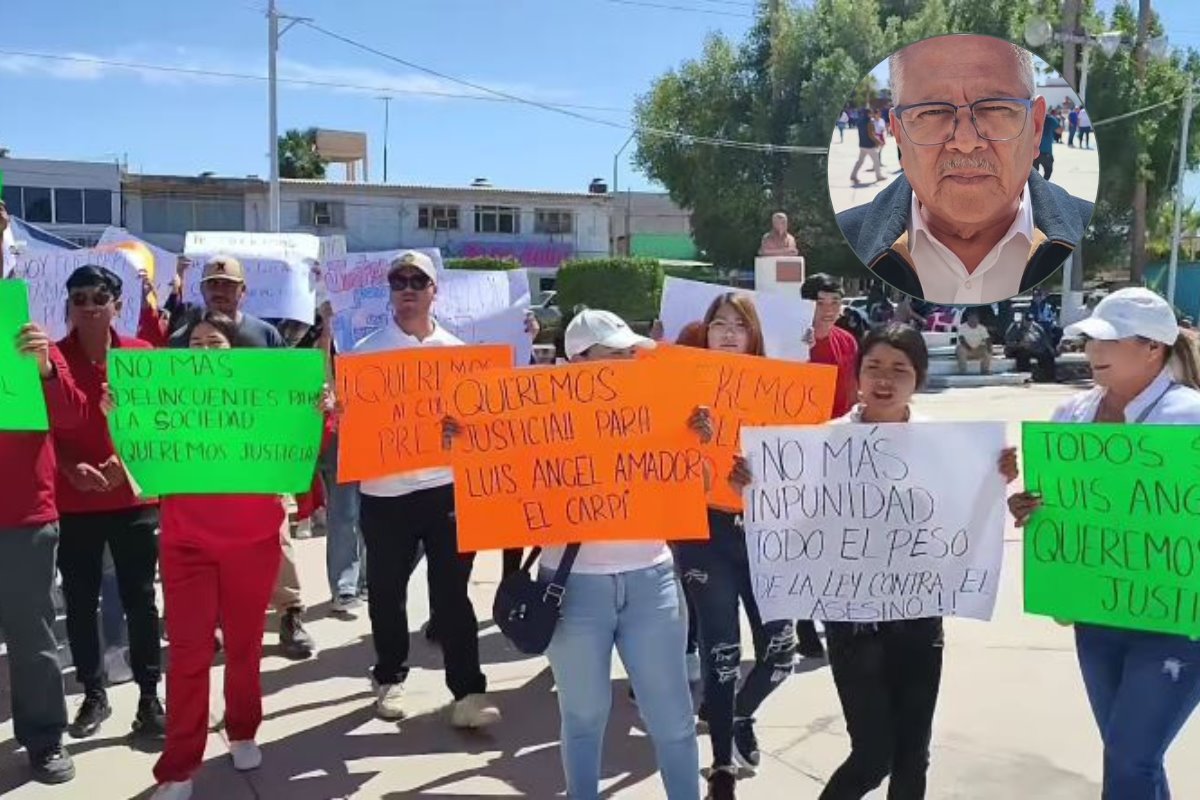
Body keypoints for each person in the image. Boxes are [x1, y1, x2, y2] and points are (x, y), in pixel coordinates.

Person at [731, 324, 1018, 800]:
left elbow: (965, 518)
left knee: (913, 756)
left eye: (899, 370)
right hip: (852, 622)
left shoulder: (948, 446)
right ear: (857, 375)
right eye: (874, 368)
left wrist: (995, 477)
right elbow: (791, 519)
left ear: (918, 379)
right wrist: (753, 489)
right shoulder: (821, 442)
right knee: (872, 754)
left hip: (918, 617)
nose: (885, 380)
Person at [1008, 287, 1200, 800]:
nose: (1094, 352)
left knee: (1130, 757)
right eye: (1091, 339)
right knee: (1128, 754)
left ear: (1153, 348)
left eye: (1109, 341)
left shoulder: (1191, 418)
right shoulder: (1070, 415)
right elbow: (1058, 506)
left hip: (1176, 620)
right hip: (1097, 616)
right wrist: (1030, 509)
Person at [145, 311, 330, 800]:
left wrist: (317, 412)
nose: (205, 350)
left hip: (252, 542)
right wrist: (118, 415)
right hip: (186, 543)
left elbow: (308, 447)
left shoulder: (263, 401)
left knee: (246, 647)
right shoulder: (169, 402)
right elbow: (138, 455)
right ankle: (180, 765)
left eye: (216, 343)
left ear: (236, 354)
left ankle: (243, 728)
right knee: (189, 653)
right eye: (196, 343)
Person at [524, 308, 701, 800]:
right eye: (615, 354)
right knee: (582, 716)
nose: (628, 362)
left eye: (631, 353)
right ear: (576, 361)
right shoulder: (535, 414)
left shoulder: (661, 407)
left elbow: (699, 482)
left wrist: (701, 438)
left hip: (652, 580)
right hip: (571, 586)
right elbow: (494, 472)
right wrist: (463, 442)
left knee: (673, 718)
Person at [351, 250, 500, 728]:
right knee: (387, 592)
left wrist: (465, 432)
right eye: (400, 280)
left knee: (452, 594)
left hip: (445, 490)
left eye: (419, 280)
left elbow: (482, 428)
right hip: (385, 494)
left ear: (435, 291)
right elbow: (350, 426)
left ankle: (468, 692)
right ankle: (390, 674)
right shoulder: (364, 355)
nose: (409, 287)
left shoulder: (459, 355)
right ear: (390, 292)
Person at [836, 34, 1094, 305]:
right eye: (932, 112)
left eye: (994, 108)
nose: (966, 142)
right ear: (899, 133)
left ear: (1036, 127)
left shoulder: (1086, 231)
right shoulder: (851, 239)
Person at [674, 295, 795, 799]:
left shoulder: (780, 388)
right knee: (721, 652)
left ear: (754, 335)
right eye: (718, 324)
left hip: (768, 535)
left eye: (738, 326)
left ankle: (742, 713)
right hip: (705, 534)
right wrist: (689, 436)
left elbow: (806, 459)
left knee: (781, 652)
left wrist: (760, 476)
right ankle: (721, 764)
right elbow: (656, 461)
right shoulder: (682, 391)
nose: (727, 333)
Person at [168, 255, 316, 660]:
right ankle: (212, 620)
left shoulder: (265, 334)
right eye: (212, 283)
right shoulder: (183, 333)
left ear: (243, 291)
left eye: (227, 284)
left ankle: (290, 614)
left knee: (277, 538)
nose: (219, 290)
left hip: (260, 458)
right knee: (208, 541)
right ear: (202, 290)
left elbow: (291, 388)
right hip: (203, 458)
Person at [52, 266, 166, 741]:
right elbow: (39, 429)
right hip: (75, 503)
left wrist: (128, 463)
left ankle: (148, 696)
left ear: (118, 305)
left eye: (100, 296)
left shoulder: (142, 356)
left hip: (132, 499)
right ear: (69, 306)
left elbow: (161, 425)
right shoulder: (50, 359)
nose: (90, 305)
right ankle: (93, 693)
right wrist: (67, 469)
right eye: (80, 297)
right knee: (80, 603)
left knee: (141, 600)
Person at [0, 231, 87, 783]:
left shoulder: (31, 335)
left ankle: (44, 738)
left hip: (23, 513)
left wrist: (47, 371)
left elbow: (74, 416)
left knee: (32, 635)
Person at [1004, 314, 1057, 381]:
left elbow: (1044, 339)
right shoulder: (1015, 327)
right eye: (1027, 321)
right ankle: (1025, 376)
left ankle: (1049, 377)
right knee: (1023, 355)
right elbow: (1008, 342)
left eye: (1030, 321)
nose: (1029, 323)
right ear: (1023, 320)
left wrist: (1050, 349)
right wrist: (1019, 344)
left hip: (1034, 348)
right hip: (1018, 349)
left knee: (1047, 355)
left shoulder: (1036, 327)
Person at [850, 107, 885, 185]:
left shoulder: (859, 121)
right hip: (870, 146)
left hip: (862, 144)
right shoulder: (870, 122)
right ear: (869, 113)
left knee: (860, 161)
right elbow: (871, 135)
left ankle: (853, 175)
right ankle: (879, 176)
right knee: (876, 161)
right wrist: (879, 141)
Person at [955, 308, 993, 375]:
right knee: (960, 349)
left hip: (977, 349)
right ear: (968, 318)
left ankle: (985, 370)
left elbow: (987, 339)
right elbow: (962, 340)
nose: (974, 320)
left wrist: (989, 348)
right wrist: (970, 349)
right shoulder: (962, 327)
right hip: (966, 349)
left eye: (975, 318)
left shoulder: (982, 328)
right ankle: (963, 371)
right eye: (972, 318)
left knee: (986, 350)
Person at [1035, 109, 1059, 180]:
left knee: (1034, 172)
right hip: (1046, 152)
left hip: (1033, 151)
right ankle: (1043, 185)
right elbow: (1059, 130)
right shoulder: (1050, 119)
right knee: (1048, 171)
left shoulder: (1032, 117)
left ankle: (1036, 185)